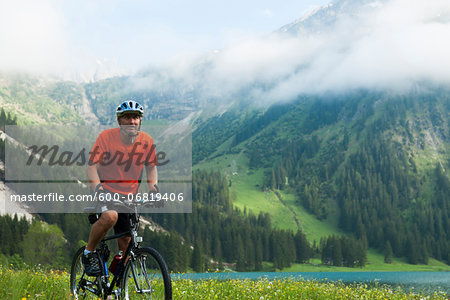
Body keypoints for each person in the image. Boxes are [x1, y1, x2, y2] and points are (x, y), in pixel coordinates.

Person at [82, 100, 158, 276]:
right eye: (127, 118)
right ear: (119, 121)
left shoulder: (146, 141)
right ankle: (88, 253)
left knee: (126, 247)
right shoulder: (106, 137)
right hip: (105, 190)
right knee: (110, 216)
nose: (132, 121)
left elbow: (151, 167)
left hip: (129, 197)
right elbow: (91, 167)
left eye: (135, 117)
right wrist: (97, 188)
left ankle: (115, 288)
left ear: (140, 121)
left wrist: (153, 188)